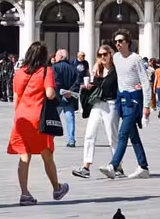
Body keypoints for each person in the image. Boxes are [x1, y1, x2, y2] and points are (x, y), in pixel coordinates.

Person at [8, 41, 70, 205]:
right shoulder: (45, 71)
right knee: (47, 155)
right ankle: (57, 189)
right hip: (38, 119)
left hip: (21, 119)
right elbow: (50, 94)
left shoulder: (20, 72)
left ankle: (25, 193)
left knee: (24, 156)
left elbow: (16, 97)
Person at [100, 29, 151, 180]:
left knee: (123, 133)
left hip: (133, 100)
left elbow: (145, 82)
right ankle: (143, 167)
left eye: (120, 41)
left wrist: (147, 106)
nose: (118, 44)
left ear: (128, 42)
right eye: (116, 41)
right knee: (132, 134)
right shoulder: (115, 57)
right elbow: (105, 63)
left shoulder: (136, 59)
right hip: (121, 98)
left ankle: (113, 165)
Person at [72, 44, 123, 179]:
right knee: (89, 134)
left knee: (112, 136)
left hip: (110, 104)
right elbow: (97, 87)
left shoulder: (116, 70)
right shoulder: (97, 69)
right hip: (97, 104)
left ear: (110, 55)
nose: (102, 57)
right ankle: (86, 166)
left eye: (105, 54)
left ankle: (117, 166)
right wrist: (89, 85)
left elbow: (114, 87)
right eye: (100, 55)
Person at [52, 49, 80, 147]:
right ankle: (71, 140)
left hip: (58, 98)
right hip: (70, 97)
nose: (54, 57)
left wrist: (62, 92)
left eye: (56, 55)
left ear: (61, 57)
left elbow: (56, 82)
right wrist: (69, 91)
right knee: (70, 118)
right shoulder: (73, 68)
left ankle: (49, 138)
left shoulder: (55, 67)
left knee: (53, 118)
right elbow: (77, 82)